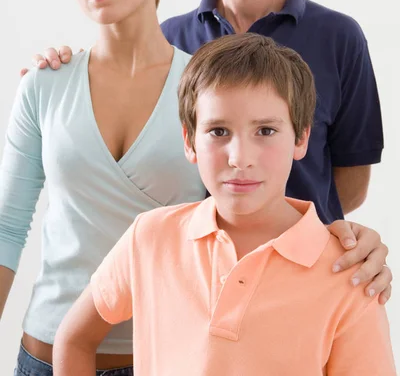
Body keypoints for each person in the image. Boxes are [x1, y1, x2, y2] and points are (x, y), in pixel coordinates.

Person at [30, 0, 392, 302]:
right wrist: (62, 71)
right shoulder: (169, 38)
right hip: (190, 287)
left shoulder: (340, 37)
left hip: (305, 284)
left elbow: (351, 182)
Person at [52, 34, 396, 375]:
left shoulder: (352, 273)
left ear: (301, 137)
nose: (240, 158)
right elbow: (74, 340)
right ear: (189, 141)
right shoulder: (150, 236)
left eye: (265, 131)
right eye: (218, 131)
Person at [0, 0, 206, 375]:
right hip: (45, 356)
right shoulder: (43, 86)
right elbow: (7, 228)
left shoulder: (206, 88)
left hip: (166, 356)